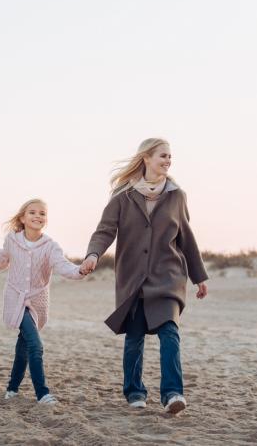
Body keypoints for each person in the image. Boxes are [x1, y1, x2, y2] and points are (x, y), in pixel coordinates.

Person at [79, 138, 208, 414]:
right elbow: (105, 231)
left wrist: (199, 276)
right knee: (135, 336)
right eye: (163, 155)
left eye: (170, 157)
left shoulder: (177, 195)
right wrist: (93, 255)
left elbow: (186, 238)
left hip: (168, 276)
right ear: (146, 158)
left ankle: (173, 393)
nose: (168, 161)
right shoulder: (123, 196)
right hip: (133, 278)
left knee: (170, 332)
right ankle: (135, 392)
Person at [0, 199, 85, 404]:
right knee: (35, 345)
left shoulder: (50, 246)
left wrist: (80, 270)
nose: (38, 216)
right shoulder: (12, 240)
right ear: (22, 217)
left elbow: (63, 266)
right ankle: (42, 393)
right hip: (15, 299)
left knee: (24, 346)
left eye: (42, 213)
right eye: (32, 212)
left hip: (38, 302)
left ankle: (12, 389)